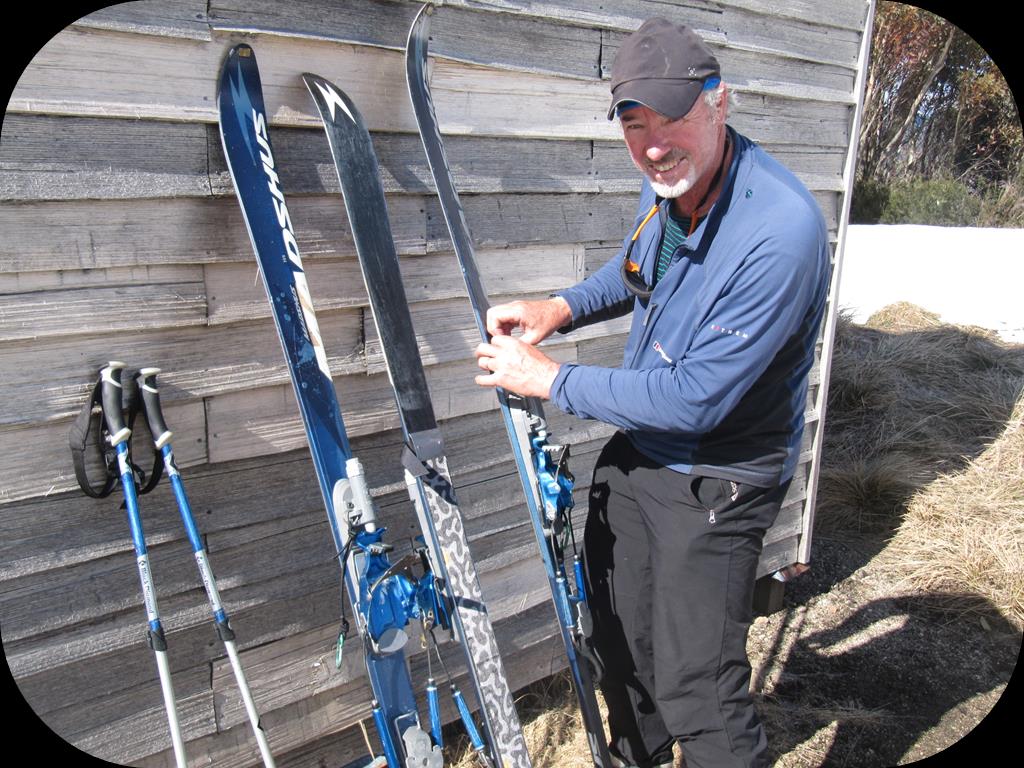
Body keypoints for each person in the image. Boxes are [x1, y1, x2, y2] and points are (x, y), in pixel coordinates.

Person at [473, 17, 831, 768]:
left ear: (719, 102)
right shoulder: (674, 181)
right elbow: (638, 268)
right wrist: (559, 309)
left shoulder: (779, 232)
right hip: (643, 448)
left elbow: (697, 398)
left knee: (699, 686)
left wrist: (551, 379)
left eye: (671, 119)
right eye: (636, 126)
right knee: (620, 641)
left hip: (719, 474)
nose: (655, 146)